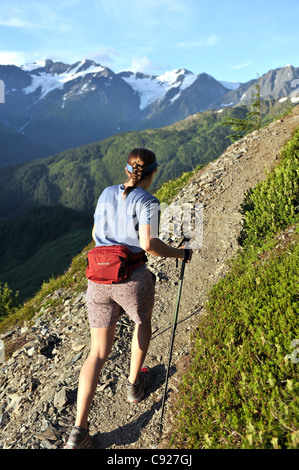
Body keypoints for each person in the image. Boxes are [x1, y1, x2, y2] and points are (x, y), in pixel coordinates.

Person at [64, 148, 192, 449]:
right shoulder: (148, 200)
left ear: (126, 170)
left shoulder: (106, 193)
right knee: (141, 321)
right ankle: (135, 385)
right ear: (153, 173)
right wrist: (181, 253)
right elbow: (148, 244)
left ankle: (78, 432)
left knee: (97, 352)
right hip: (131, 277)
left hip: (98, 279)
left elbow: (96, 231)